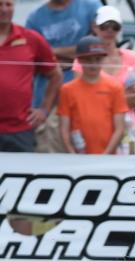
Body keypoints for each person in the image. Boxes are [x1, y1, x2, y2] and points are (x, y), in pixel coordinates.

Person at [25, 0, 100, 153]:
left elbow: (97, 49)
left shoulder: (91, 6)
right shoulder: (35, 18)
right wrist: (76, 53)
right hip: (47, 103)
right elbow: (32, 58)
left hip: (85, 102)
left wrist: (49, 52)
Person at [73, 5, 135, 155]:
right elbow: (82, 99)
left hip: (127, 133)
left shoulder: (132, 57)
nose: (110, 31)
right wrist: (122, 97)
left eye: (115, 27)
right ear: (95, 27)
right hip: (94, 134)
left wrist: (101, 97)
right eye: (105, 26)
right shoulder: (82, 60)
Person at [0, 0, 62, 153]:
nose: (4, 9)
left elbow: (55, 75)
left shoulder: (31, 39)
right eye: (0, 5)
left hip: (19, 130)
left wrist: (44, 110)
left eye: (8, 4)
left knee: (19, 176)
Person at [58, 35, 126, 154]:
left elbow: (119, 128)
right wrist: (72, 154)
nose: (93, 64)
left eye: (97, 59)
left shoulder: (115, 87)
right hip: (79, 156)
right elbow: (64, 129)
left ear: (103, 59)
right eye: (88, 60)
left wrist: (106, 155)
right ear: (79, 61)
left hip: (108, 158)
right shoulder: (67, 89)